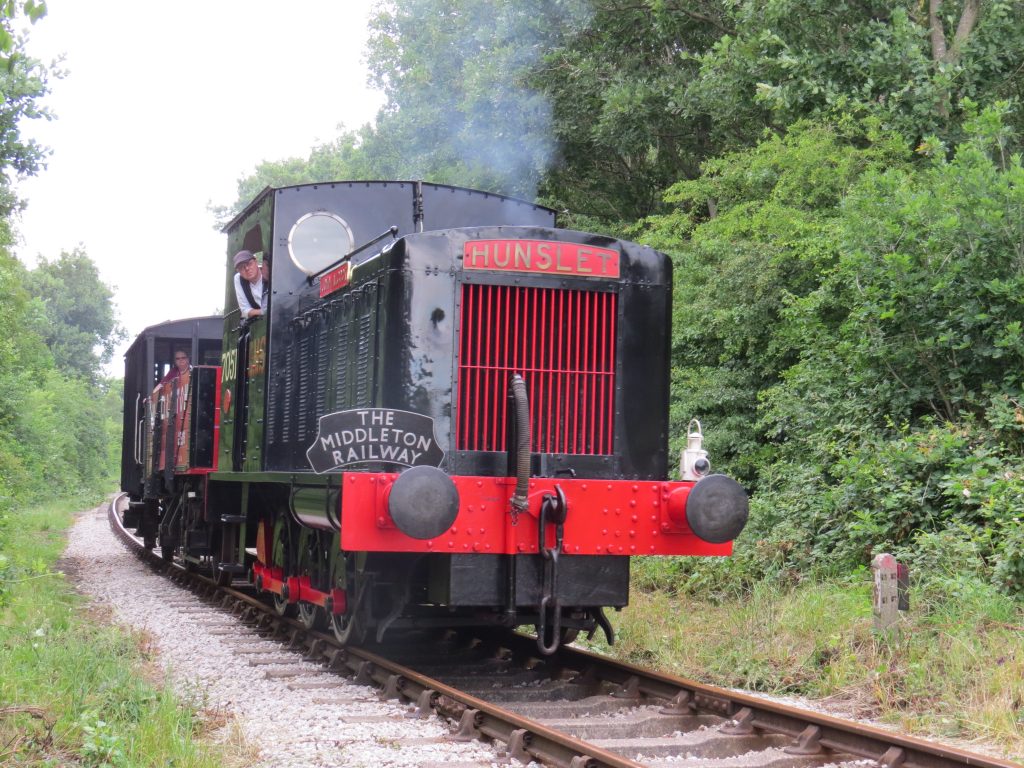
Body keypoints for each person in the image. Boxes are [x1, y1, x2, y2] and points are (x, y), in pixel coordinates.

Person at [234, 250, 267, 319]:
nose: (247, 268)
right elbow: (245, 311)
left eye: (249, 263)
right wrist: (263, 312)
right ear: (239, 271)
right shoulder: (238, 279)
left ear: (256, 262)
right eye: (241, 267)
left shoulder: (267, 270)